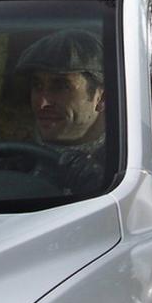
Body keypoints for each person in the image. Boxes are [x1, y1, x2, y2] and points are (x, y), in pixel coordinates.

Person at [14, 29, 106, 195]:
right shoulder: (13, 161)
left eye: (61, 87)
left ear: (101, 98)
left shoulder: (125, 169)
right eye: (37, 85)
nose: (42, 103)